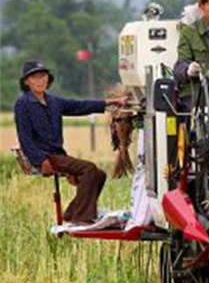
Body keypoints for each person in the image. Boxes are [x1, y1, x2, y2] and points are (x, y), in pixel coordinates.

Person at [14, 60, 128, 224]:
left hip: (58, 155)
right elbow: (24, 138)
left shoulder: (54, 101)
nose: (40, 80)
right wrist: (41, 161)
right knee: (88, 169)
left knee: (99, 175)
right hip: (44, 156)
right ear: (26, 81)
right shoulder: (23, 104)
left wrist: (113, 102)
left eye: (43, 76)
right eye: (35, 77)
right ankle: (82, 217)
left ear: (48, 78)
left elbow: (80, 106)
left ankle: (71, 213)